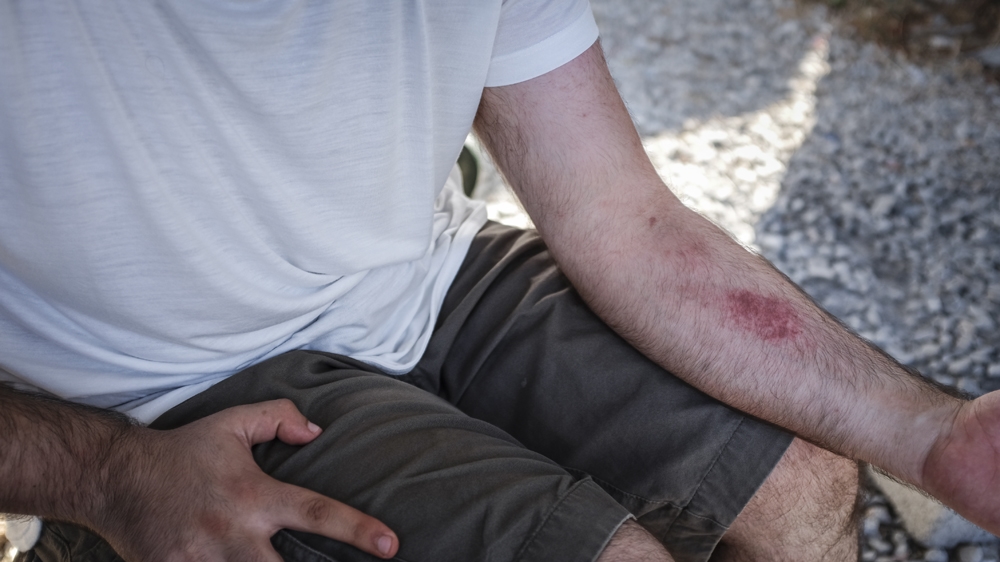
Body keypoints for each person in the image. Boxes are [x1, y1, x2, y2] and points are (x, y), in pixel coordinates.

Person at [1, 2, 996, 561]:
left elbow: (625, 219)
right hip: (149, 396)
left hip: (426, 273)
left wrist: (931, 436)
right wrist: (107, 473)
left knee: (800, 481)